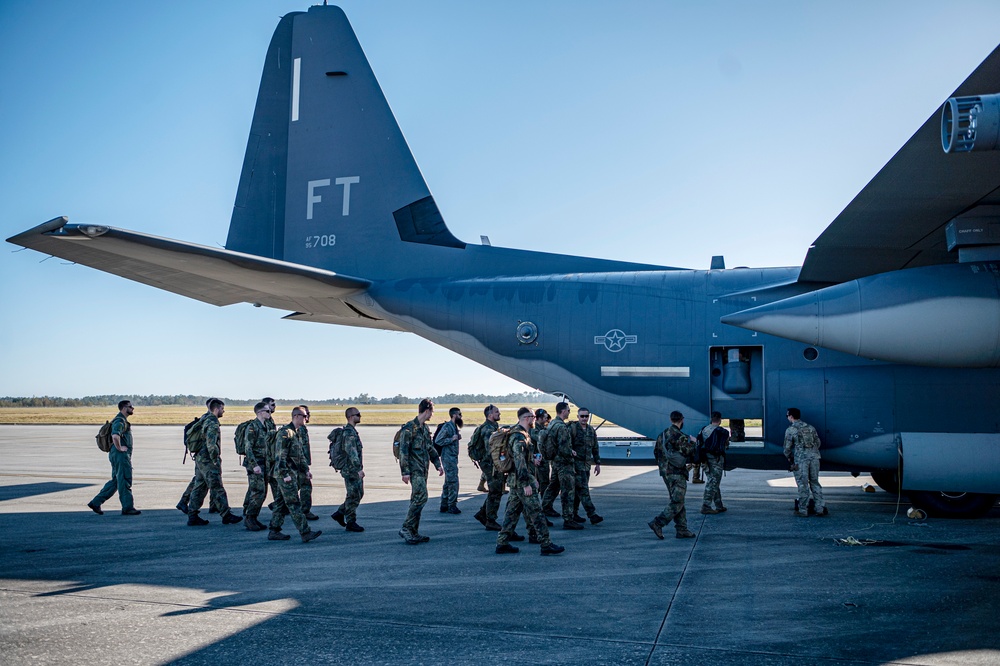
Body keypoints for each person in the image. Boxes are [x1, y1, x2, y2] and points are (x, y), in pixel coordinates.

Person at [496, 408, 565, 556]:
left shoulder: (520, 434)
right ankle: (546, 544)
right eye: (533, 417)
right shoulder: (519, 437)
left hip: (517, 481)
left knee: (512, 513)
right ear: (527, 418)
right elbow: (519, 462)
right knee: (537, 512)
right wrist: (527, 483)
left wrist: (533, 460)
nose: (535, 419)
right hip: (522, 482)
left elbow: (522, 459)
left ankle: (502, 543)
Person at [268, 407, 322, 542]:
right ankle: (305, 532)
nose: (307, 419)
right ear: (296, 416)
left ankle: (274, 530)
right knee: (294, 503)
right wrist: (284, 474)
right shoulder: (285, 433)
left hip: (291, 473)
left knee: (280, 503)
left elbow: (300, 456)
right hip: (285, 475)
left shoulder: (295, 432)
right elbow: (280, 456)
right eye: (304, 416)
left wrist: (306, 470)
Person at [186, 399, 242, 526]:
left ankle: (192, 515)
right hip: (208, 459)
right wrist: (215, 459)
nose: (223, 411)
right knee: (217, 487)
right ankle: (226, 514)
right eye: (222, 408)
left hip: (200, 458)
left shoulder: (204, 418)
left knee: (200, 486)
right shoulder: (212, 422)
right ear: (216, 409)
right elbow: (211, 444)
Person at [398, 399, 444, 545]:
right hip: (414, 470)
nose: (432, 415)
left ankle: (413, 531)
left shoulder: (424, 428)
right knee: (421, 497)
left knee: (416, 499)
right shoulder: (409, 428)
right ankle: (406, 528)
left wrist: (437, 464)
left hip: (424, 470)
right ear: (427, 410)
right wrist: (405, 472)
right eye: (432, 411)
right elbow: (403, 452)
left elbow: (430, 448)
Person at [648, 410, 696, 539]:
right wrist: (693, 442)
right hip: (677, 473)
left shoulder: (662, 435)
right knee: (677, 501)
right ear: (682, 420)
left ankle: (682, 529)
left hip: (665, 473)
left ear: (670, 420)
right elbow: (689, 451)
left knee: (678, 500)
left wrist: (663, 467)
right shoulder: (679, 435)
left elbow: (656, 452)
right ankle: (658, 523)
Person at [88, 400, 141, 516]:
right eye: (130, 406)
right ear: (123, 408)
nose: (133, 408)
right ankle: (127, 507)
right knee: (125, 480)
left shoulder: (120, 420)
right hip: (120, 456)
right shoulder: (120, 420)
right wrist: (120, 447)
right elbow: (115, 436)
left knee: (116, 481)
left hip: (117, 456)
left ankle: (96, 502)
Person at [541, 402, 582, 530]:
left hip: (555, 462)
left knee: (553, 487)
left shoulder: (552, 424)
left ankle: (543, 510)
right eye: (568, 410)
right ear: (563, 411)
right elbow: (564, 448)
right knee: (568, 491)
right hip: (564, 463)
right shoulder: (562, 427)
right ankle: (568, 519)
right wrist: (571, 453)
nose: (569, 412)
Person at [784, 407, 827, 517]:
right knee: (815, 482)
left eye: (787, 416)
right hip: (815, 458)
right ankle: (819, 508)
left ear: (791, 416)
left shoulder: (791, 430)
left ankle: (803, 510)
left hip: (801, 460)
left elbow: (787, 448)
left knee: (803, 484)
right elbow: (818, 442)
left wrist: (790, 457)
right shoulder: (810, 427)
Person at [330, 407, 366, 532]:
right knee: (353, 495)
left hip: (352, 469)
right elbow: (352, 453)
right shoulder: (349, 433)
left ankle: (340, 513)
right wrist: (358, 469)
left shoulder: (352, 431)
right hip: (351, 470)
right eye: (358, 414)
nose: (360, 416)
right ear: (351, 417)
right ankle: (351, 522)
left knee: (358, 494)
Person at [470, 404, 503, 531]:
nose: (499, 414)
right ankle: (490, 520)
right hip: (490, 464)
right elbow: (491, 450)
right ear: (490, 415)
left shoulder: (493, 427)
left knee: (497, 490)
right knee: (495, 491)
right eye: (496, 412)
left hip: (492, 463)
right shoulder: (488, 430)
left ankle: (483, 514)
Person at [242, 401, 273, 531]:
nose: (270, 412)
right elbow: (248, 448)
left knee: (262, 492)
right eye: (267, 411)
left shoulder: (265, 426)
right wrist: (254, 465)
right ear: (260, 412)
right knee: (257, 491)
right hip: (255, 464)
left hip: (264, 463)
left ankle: (254, 518)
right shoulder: (252, 427)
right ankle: (249, 518)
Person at [570, 407, 604, 525]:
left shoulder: (590, 430)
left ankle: (573, 514)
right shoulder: (573, 429)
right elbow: (566, 444)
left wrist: (598, 463)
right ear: (578, 417)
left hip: (586, 466)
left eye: (586, 416)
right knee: (584, 490)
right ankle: (592, 514)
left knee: (578, 492)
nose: (584, 418)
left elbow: (595, 448)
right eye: (582, 416)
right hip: (576, 466)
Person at [700, 411, 729, 514]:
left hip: (705, 461)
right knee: (713, 482)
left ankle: (719, 505)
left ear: (711, 419)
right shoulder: (722, 432)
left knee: (713, 482)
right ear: (720, 420)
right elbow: (725, 445)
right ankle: (706, 505)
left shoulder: (704, 429)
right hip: (716, 461)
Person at [436, 407, 464, 515]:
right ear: (454, 415)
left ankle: (444, 504)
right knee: (453, 482)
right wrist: (451, 439)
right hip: (448, 458)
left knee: (448, 481)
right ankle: (452, 505)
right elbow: (439, 440)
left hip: (452, 457)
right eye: (459, 414)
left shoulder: (454, 427)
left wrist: (456, 438)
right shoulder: (448, 426)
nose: (461, 416)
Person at [296, 404, 319, 521]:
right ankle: (305, 511)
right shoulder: (298, 429)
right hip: (298, 464)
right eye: (306, 414)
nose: (308, 417)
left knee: (295, 487)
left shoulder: (303, 428)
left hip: (302, 462)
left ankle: (278, 504)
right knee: (305, 487)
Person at [530, 409, 552, 501]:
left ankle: (544, 504)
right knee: (541, 483)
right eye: (545, 418)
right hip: (537, 461)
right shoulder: (535, 429)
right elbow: (540, 438)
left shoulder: (543, 427)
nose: (547, 419)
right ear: (539, 418)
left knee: (545, 482)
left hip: (543, 460)